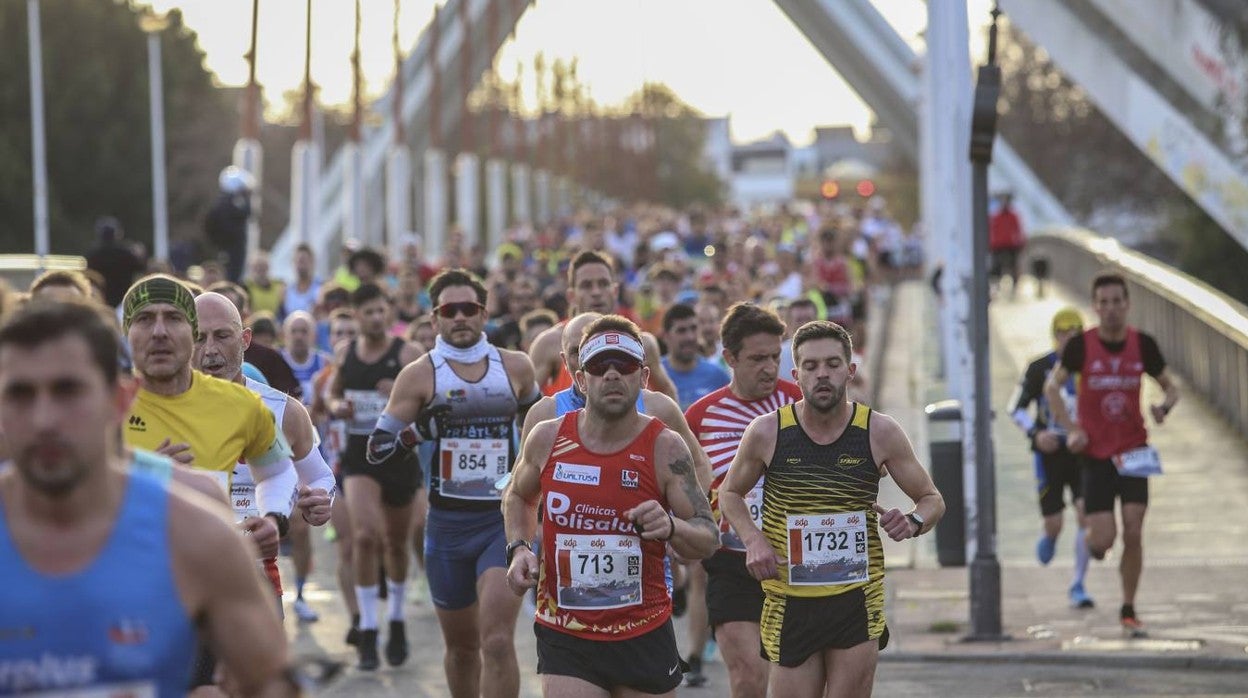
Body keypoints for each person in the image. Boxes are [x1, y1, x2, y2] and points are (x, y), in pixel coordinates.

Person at [0, 299, 296, 696]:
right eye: (20, 395)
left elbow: (272, 684)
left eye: (68, 391)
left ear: (122, 400)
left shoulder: (197, 535)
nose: (44, 419)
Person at [720, 320, 944, 698]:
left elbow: (932, 498)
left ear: (850, 370)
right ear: (796, 374)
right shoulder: (767, 432)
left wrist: (912, 521)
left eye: (832, 364)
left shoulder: (879, 431)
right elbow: (730, 494)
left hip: (856, 597)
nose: (822, 374)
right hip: (791, 599)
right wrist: (753, 540)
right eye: (810, 366)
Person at [503, 315, 720, 696]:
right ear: (581, 379)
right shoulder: (547, 437)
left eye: (625, 366)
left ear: (644, 378)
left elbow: (707, 537)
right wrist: (519, 547)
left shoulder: (665, 447)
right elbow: (519, 495)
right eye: (600, 366)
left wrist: (671, 528)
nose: (613, 375)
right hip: (565, 630)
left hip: (643, 629)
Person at [370, 269, 540, 697]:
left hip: (502, 522)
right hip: (446, 526)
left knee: (498, 641)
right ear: (435, 320)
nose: (461, 317)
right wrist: (416, 433)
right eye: (451, 310)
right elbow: (376, 449)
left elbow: (543, 431)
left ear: (484, 314)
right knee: (463, 649)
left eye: (470, 309)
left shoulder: (516, 367)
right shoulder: (420, 376)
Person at [1045, 272, 1180, 636]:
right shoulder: (1080, 347)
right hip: (1096, 455)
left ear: (1127, 304)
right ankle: (1092, 541)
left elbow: (1172, 388)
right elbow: (1052, 388)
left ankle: (1128, 608)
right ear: (1095, 307)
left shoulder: (1143, 345)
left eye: (1116, 302)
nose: (1110, 309)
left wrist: (1163, 408)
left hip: (1134, 452)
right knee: (1104, 540)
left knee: (1133, 531)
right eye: (1103, 303)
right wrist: (1072, 429)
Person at [684, 302, 803, 697]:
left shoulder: (800, 406)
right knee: (749, 675)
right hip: (732, 562)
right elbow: (682, 487)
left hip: (797, 562)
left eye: (775, 356)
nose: (770, 367)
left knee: (794, 681)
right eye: (757, 359)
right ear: (729, 358)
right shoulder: (699, 417)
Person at [193, 293, 336, 620]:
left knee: (259, 672)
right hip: (185, 577)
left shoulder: (282, 410)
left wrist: (321, 499)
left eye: (222, 336)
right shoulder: (161, 411)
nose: (211, 350)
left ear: (244, 340)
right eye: (199, 338)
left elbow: (321, 477)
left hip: (254, 572)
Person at [327, 282, 423, 669]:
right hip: (359, 457)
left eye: (382, 310)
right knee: (365, 537)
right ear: (357, 315)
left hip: (398, 458)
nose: (377, 317)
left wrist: (399, 393)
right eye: (368, 311)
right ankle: (368, 629)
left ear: (390, 312)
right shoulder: (346, 352)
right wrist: (339, 407)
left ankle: (396, 618)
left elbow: (427, 405)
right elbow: (330, 397)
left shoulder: (409, 354)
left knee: (395, 545)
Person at [1007, 306, 1094, 608]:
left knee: (1087, 516)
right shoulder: (1039, 367)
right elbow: (1015, 408)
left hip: (1081, 452)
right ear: (1054, 335)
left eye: (1075, 332)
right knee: (1055, 521)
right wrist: (1035, 435)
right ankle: (1051, 537)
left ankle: (1078, 584)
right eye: (1063, 332)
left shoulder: (1091, 368)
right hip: (1049, 453)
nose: (1069, 338)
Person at [528, 250, 678, 401]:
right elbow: (526, 401)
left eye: (603, 284)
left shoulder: (641, 342)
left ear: (615, 291)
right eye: (586, 285)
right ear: (571, 296)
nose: (596, 292)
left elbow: (667, 394)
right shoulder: (549, 343)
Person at [661, 303, 731, 410]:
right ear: (666, 336)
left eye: (693, 328)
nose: (690, 337)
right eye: (681, 331)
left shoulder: (717, 376)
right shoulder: (654, 375)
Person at [204, 166, 253, 283]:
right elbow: (246, 213)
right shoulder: (230, 204)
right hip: (233, 249)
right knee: (232, 276)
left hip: (224, 249)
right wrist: (247, 198)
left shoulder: (220, 203)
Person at [85, 216, 147, 307]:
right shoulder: (125, 253)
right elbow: (141, 269)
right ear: (117, 234)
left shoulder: (93, 254)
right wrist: (140, 255)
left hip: (101, 300)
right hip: (123, 299)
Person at [989, 192, 1026, 295]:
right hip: (999, 245)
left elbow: (1018, 230)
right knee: (997, 267)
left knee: (1013, 266)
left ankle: (1014, 288)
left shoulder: (1013, 216)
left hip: (1010, 245)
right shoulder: (996, 217)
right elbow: (992, 231)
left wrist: (1020, 242)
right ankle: (995, 288)